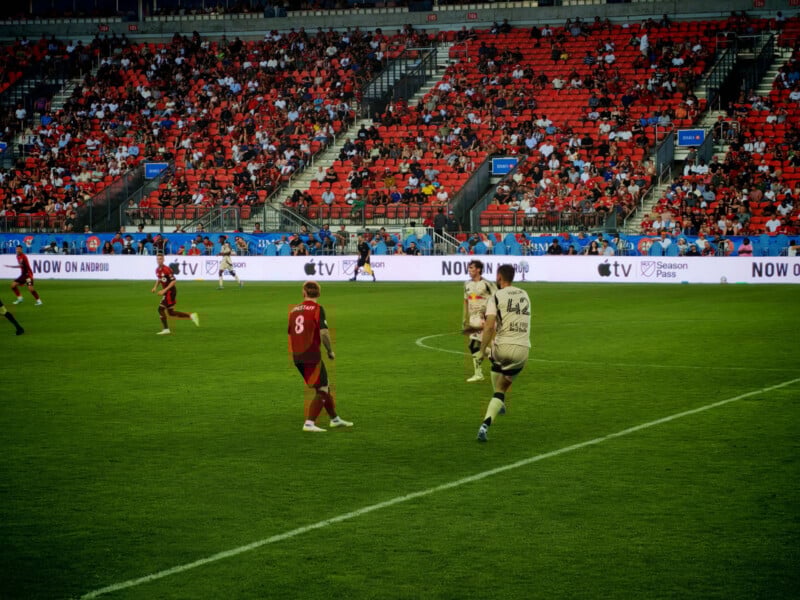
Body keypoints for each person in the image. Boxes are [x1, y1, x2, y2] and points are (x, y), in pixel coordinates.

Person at [476, 264, 531, 443]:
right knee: (503, 385)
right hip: (522, 350)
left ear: (499, 278)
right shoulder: (525, 294)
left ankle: (493, 410)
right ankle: (488, 421)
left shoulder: (496, 296)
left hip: (502, 347)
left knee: (489, 352)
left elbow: (489, 325)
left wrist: (481, 351)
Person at [288, 280, 353, 432]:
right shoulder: (317, 309)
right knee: (323, 388)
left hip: (297, 355)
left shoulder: (293, 310)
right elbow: (323, 332)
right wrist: (330, 351)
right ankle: (309, 423)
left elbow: (291, 332)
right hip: (311, 354)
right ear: (319, 293)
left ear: (303, 292)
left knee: (324, 385)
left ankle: (334, 419)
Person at [463, 260, 497, 383]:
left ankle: (478, 374)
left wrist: (492, 315)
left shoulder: (487, 284)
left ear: (478, 269)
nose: (469, 270)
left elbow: (497, 298)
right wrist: (464, 318)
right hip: (473, 318)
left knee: (473, 345)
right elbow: (466, 300)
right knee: (476, 346)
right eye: (469, 268)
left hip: (484, 318)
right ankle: (496, 355)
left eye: (472, 268)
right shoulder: (467, 284)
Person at [151, 254, 199, 335]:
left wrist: (164, 290)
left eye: (160, 259)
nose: (159, 260)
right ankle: (191, 316)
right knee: (171, 313)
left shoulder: (167, 269)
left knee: (160, 309)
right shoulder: (157, 270)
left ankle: (166, 329)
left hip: (170, 292)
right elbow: (159, 278)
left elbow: (173, 281)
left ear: (163, 260)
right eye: (158, 259)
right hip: (167, 292)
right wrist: (155, 287)